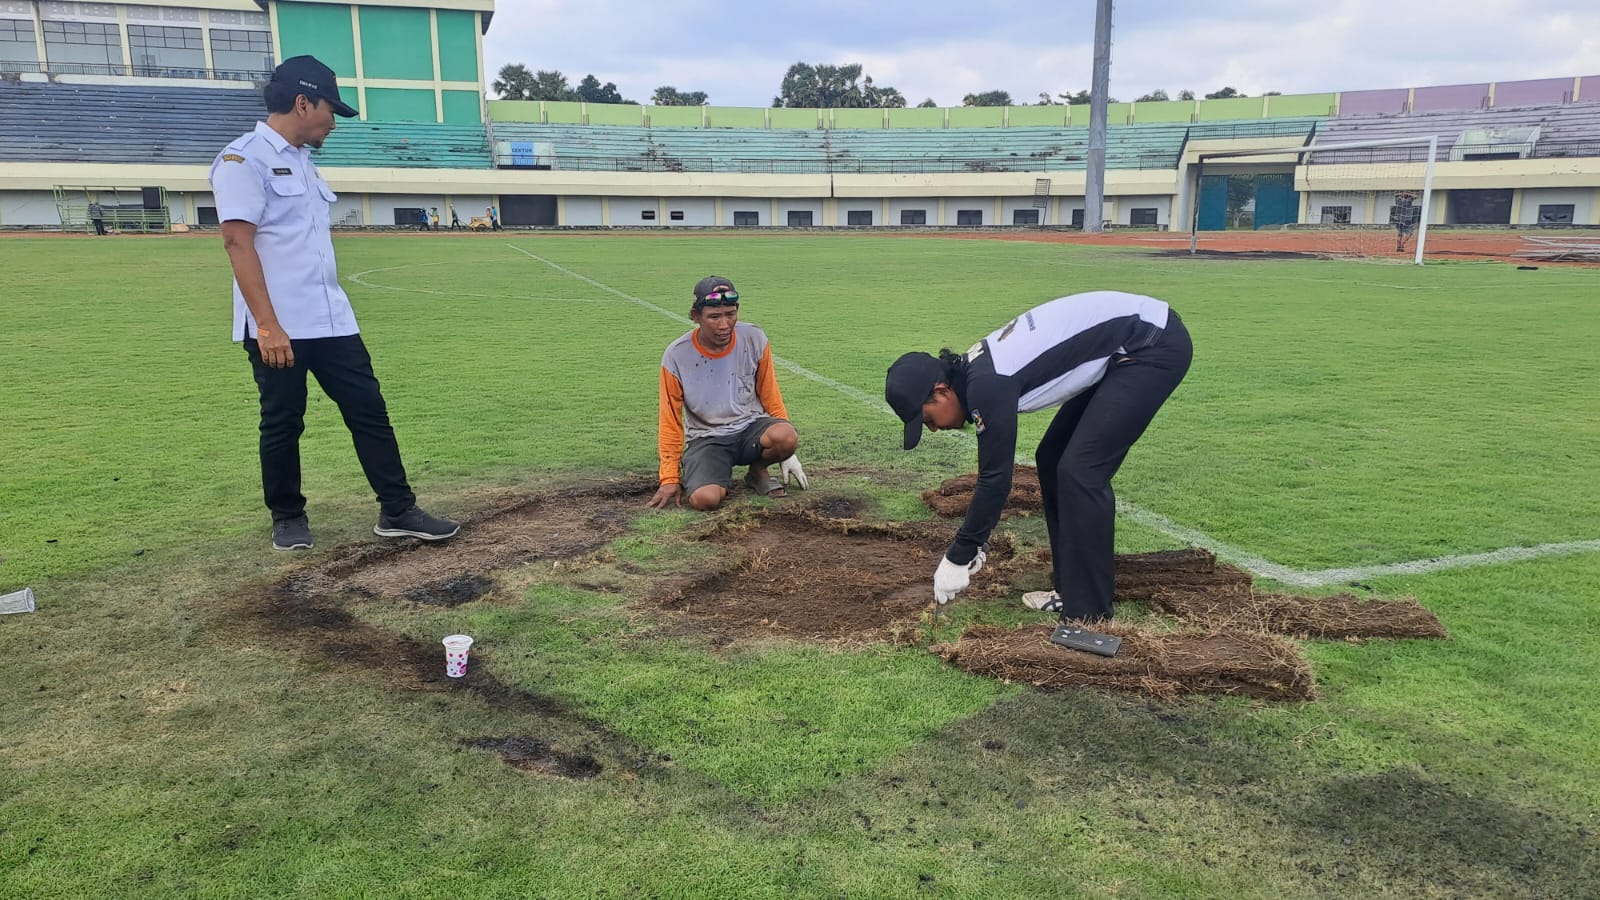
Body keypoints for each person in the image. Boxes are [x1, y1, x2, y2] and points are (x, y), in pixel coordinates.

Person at [208, 55, 459, 552]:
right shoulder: (242, 160)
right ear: (303, 103)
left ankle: (398, 509)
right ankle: (287, 515)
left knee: (369, 410)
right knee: (283, 420)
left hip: (332, 319)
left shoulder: (304, 160)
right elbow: (238, 243)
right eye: (330, 110)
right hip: (279, 325)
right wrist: (268, 325)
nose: (333, 123)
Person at [885, 291, 1192, 622]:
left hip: (1151, 345)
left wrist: (959, 555)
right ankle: (1072, 591)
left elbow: (994, 479)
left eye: (928, 419)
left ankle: (1088, 615)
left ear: (942, 391)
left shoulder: (988, 384)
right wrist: (972, 546)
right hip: (1126, 346)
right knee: (1052, 457)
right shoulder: (977, 375)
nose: (932, 429)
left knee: (1081, 471)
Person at [648, 276, 809, 511]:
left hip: (749, 429)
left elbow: (771, 396)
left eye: (730, 314)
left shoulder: (754, 338)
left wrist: (787, 454)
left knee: (786, 436)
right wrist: (669, 478)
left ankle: (757, 472)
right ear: (695, 316)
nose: (724, 325)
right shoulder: (676, 356)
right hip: (708, 438)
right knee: (705, 500)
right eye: (714, 317)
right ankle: (705, 473)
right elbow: (670, 420)